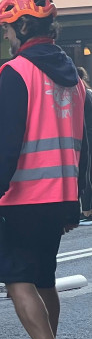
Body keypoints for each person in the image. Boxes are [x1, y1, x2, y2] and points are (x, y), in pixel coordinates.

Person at [0, 0, 90, 339]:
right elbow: (86, 141)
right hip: (62, 194)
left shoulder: (17, 71)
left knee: (17, 280)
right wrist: (79, 197)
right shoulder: (76, 79)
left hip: (24, 194)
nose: (7, 35)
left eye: (8, 28)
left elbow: (7, 142)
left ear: (23, 27)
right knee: (44, 278)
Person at [77, 67, 92, 225]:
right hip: (90, 135)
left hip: (86, 137)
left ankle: (86, 211)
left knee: (86, 174)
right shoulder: (89, 92)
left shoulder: (81, 94)